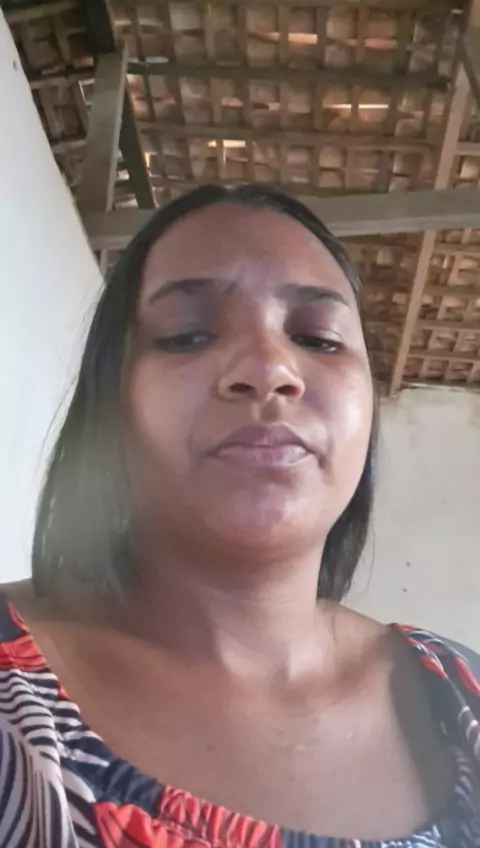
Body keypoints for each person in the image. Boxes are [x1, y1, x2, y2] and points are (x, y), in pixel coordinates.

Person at [0, 184, 479, 848]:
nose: (268, 369)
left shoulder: (462, 695)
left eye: (318, 338)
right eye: (187, 334)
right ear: (113, 401)